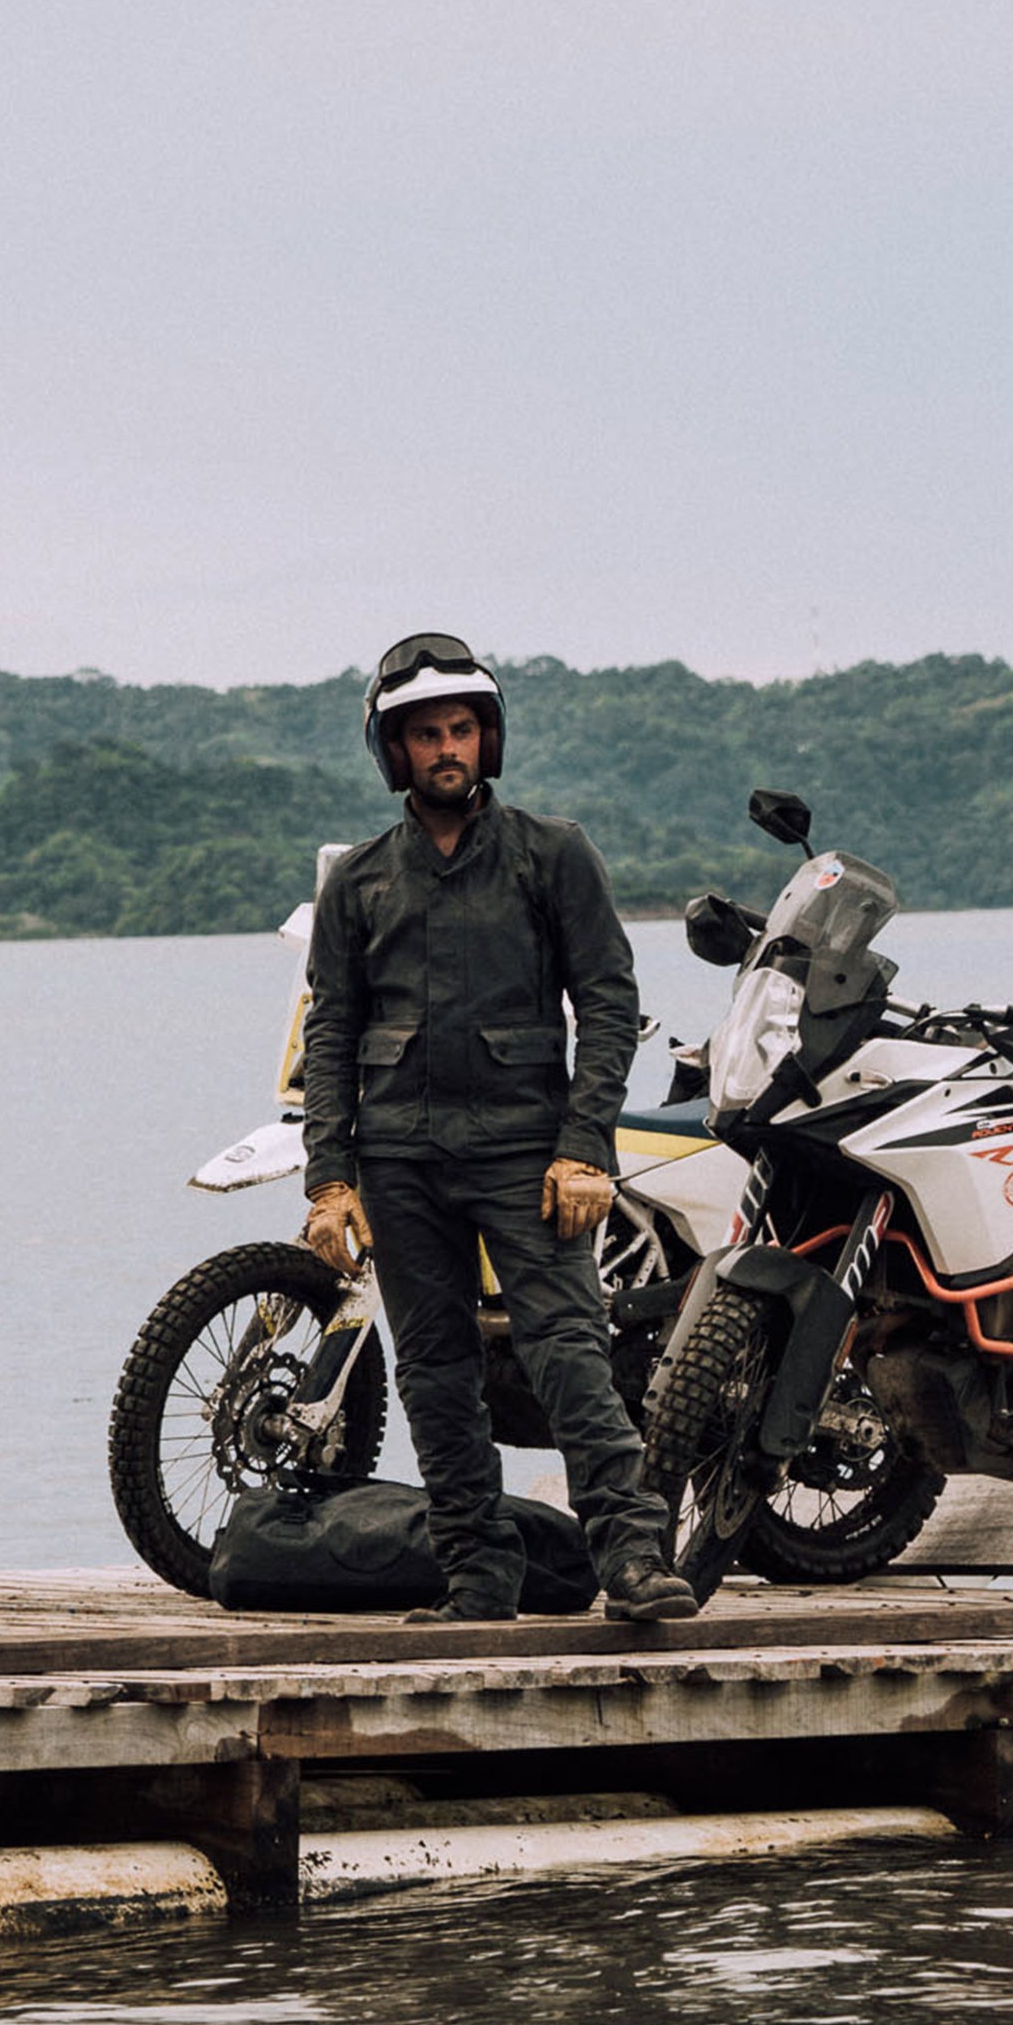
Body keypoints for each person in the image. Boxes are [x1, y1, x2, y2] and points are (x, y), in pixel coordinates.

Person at [298, 633, 698, 1625]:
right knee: (434, 1369)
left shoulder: (551, 855)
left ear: (489, 739)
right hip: (397, 1158)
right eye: (426, 734)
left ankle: (635, 1562)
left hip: (529, 1153)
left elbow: (606, 1002)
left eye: (462, 730)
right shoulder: (356, 881)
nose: (446, 749)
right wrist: (328, 1180)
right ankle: (478, 1579)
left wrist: (585, 1147)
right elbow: (332, 1027)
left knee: (568, 1349)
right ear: (394, 751)